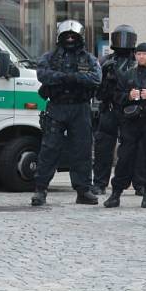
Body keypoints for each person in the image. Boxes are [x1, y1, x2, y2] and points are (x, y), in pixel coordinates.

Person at [31, 20, 102, 207]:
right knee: (49, 149)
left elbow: (96, 78)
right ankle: (40, 190)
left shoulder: (88, 59)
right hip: (57, 107)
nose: (70, 39)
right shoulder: (50, 57)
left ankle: (83, 190)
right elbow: (42, 74)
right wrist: (65, 78)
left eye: (73, 36)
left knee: (83, 150)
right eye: (67, 36)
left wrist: (74, 78)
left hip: (80, 109)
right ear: (60, 37)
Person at [104, 42, 146, 209]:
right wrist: (128, 95)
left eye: (145, 54)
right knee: (124, 158)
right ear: (135, 56)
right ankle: (116, 193)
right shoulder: (128, 75)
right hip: (130, 124)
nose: (141, 57)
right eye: (139, 54)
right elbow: (116, 96)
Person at [92, 25, 137, 195]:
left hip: (128, 110)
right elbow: (96, 86)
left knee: (130, 148)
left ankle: (135, 182)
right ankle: (99, 182)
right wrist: (104, 71)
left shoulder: (135, 61)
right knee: (103, 148)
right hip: (109, 108)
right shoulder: (105, 61)